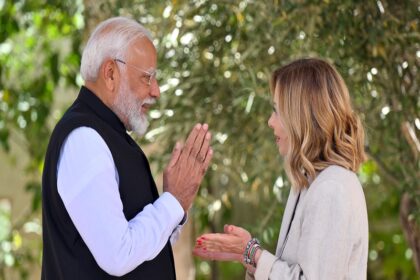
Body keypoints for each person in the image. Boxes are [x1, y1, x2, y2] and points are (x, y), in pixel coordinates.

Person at [41, 17, 213, 279]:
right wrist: (173, 201)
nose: (155, 91)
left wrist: (175, 203)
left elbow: (139, 248)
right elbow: (118, 255)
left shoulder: (107, 134)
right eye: (147, 77)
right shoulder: (85, 139)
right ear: (110, 73)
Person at [194, 58, 368, 279]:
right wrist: (247, 256)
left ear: (300, 117)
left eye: (276, 111)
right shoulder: (309, 183)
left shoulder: (332, 188)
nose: (270, 122)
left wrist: (252, 252)